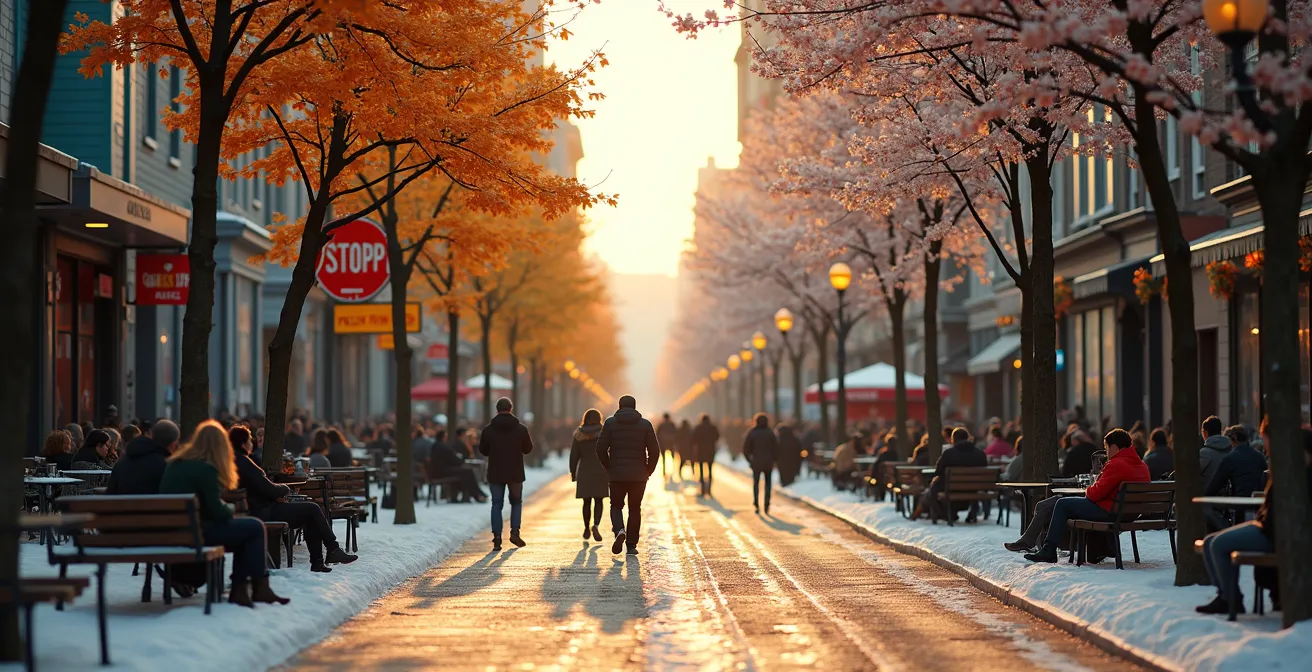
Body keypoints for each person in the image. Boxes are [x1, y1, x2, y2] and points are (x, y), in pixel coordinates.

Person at [160, 420, 289, 607]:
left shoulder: (175, 464)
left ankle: (245, 589)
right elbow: (217, 511)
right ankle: (251, 588)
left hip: (174, 533)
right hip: (197, 534)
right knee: (254, 527)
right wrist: (231, 508)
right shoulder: (206, 468)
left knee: (246, 529)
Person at [1197, 427, 1312, 615]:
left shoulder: (1299, 477)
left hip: (1274, 533)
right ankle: (1225, 595)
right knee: (1210, 541)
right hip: (1270, 527)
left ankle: (1231, 600)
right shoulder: (1287, 469)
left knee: (1217, 544)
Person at [229, 424, 356, 572]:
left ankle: (320, 560)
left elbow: (261, 487)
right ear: (243, 443)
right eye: (250, 440)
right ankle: (331, 551)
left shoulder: (237, 461)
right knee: (312, 508)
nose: (252, 443)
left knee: (310, 511)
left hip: (260, 509)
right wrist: (285, 488)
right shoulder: (244, 462)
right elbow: (268, 488)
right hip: (263, 512)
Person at [1024, 429, 1150, 563]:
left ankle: (1049, 550)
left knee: (1062, 504)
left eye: (1106, 448)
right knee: (1068, 504)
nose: (1106, 452)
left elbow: (1094, 494)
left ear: (1114, 447)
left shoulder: (1116, 464)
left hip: (1112, 512)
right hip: (1130, 514)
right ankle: (1096, 550)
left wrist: (1089, 489)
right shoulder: (1142, 466)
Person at [596, 395, 660, 555]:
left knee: (616, 505)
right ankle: (631, 545)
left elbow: (600, 448)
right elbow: (654, 451)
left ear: (619, 406)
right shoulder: (645, 425)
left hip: (616, 474)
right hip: (638, 475)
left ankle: (619, 530)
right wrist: (648, 470)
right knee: (635, 508)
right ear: (634, 406)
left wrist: (609, 466)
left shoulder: (610, 423)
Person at [479, 397, 534, 551]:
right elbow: (528, 448)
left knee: (497, 504)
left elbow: (483, 450)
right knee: (516, 502)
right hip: (515, 472)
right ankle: (515, 532)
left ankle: (497, 537)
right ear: (511, 408)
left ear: (497, 409)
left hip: (495, 471)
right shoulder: (521, 429)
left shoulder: (488, 430)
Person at [1202, 425, 1268, 531]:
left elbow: (1214, 486)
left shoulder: (1230, 458)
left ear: (1233, 439)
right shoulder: (1259, 457)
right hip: (1259, 506)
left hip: (1239, 508)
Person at [915, 427, 988, 521]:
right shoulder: (980, 454)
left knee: (932, 489)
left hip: (950, 488)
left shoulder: (948, 453)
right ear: (968, 438)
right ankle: (972, 512)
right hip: (974, 489)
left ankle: (943, 514)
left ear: (953, 439)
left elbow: (938, 471)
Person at [107, 420, 180, 494]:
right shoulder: (168, 467)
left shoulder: (121, 463)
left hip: (122, 505)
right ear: (173, 444)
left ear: (152, 436)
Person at [570, 409, 608, 542]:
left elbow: (574, 456)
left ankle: (586, 528)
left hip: (585, 470)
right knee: (599, 500)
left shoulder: (579, 435)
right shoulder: (604, 433)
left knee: (586, 501)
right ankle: (596, 525)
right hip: (601, 470)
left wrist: (573, 472)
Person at [428, 432, 487, 503]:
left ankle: (476, 494)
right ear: (443, 437)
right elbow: (454, 459)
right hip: (442, 472)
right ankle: (477, 494)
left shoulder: (435, 446)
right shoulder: (443, 447)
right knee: (467, 472)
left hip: (438, 471)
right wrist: (461, 461)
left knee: (465, 473)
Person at [742, 413, 779, 515]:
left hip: (756, 463)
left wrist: (750, 461)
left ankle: (756, 504)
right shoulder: (770, 433)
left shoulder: (752, 432)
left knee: (756, 484)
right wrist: (774, 460)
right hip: (768, 462)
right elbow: (776, 448)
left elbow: (746, 449)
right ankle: (766, 504)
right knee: (768, 484)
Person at [691, 414, 720, 497]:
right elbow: (717, 437)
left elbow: (693, 439)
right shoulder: (713, 428)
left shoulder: (698, 428)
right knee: (710, 470)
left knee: (701, 471)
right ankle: (709, 490)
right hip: (710, 451)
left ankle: (703, 489)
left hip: (701, 451)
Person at [1199, 415, 1232, 486]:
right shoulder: (1231, 450)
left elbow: (1190, 473)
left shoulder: (1204, 454)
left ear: (1205, 433)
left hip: (1207, 496)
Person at [656, 413, 678, 479]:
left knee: (664, 459)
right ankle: (673, 472)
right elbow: (676, 434)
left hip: (663, 444)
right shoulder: (672, 425)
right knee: (672, 458)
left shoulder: (661, 425)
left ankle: (664, 471)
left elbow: (657, 434)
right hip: (671, 444)